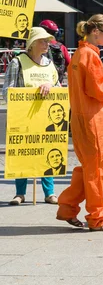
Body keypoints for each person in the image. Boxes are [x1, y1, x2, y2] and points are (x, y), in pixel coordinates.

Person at [56, 14, 103, 231]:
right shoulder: (90, 56)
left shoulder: (79, 55)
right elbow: (98, 90)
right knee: (97, 170)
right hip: (93, 120)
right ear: (96, 32)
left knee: (89, 169)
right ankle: (97, 218)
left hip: (81, 118)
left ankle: (67, 207)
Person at [3, 27, 61, 205]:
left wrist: (50, 86)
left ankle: (49, 192)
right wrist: (31, 93)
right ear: (33, 43)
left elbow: (59, 88)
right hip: (23, 117)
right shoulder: (18, 62)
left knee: (47, 152)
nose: (47, 44)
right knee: (22, 153)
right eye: (43, 41)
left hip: (46, 116)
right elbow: (7, 91)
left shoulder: (49, 64)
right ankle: (20, 193)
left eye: (47, 41)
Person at [40, 19, 71, 85]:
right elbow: (70, 65)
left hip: (40, 85)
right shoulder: (62, 47)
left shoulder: (37, 46)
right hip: (58, 85)